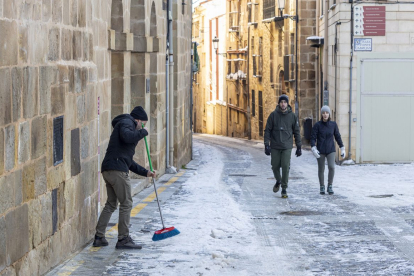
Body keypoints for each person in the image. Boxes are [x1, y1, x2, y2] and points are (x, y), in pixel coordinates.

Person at [93, 106, 156, 249]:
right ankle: (123, 239)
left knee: (111, 204)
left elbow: (129, 161)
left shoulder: (125, 125)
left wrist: (146, 172)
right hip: (117, 170)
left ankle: (99, 237)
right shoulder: (127, 123)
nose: (142, 126)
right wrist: (142, 132)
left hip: (109, 169)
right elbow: (127, 136)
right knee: (126, 203)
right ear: (138, 120)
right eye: (143, 123)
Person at [264, 94, 302, 198]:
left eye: (285, 102)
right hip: (275, 145)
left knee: (285, 166)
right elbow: (267, 130)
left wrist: (299, 146)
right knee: (275, 166)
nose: (283, 104)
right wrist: (266, 145)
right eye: (281, 102)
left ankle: (284, 188)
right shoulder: (273, 115)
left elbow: (297, 132)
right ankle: (278, 180)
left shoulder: (292, 116)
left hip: (286, 146)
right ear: (279, 103)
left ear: (287, 103)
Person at [310, 105, 345, 195]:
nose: (325, 115)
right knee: (321, 169)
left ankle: (330, 185)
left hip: (330, 149)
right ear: (321, 114)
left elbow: (337, 136)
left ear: (329, 114)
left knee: (331, 167)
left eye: (327, 113)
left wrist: (342, 148)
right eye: (323, 113)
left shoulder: (333, 124)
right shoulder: (318, 125)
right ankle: (322, 186)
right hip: (320, 150)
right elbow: (313, 137)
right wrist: (313, 148)